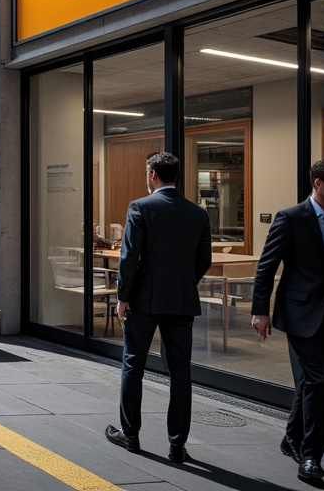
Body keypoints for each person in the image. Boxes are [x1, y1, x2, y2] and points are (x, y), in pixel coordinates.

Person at [105, 151, 211, 466]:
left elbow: (130, 257)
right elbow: (203, 260)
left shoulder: (140, 207)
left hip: (144, 301)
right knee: (180, 372)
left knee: (133, 365)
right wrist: (182, 283)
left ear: (152, 174)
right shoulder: (197, 213)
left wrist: (123, 297)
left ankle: (131, 434)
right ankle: (177, 445)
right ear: (175, 175)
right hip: (181, 302)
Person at [251, 158, 324, 483]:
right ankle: (310, 457)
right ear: (318, 183)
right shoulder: (291, 218)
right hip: (300, 313)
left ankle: (291, 439)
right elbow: (266, 267)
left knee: (312, 381)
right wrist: (260, 310)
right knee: (318, 379)